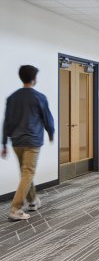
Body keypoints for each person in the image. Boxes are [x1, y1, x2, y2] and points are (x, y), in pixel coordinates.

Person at [2, 65, 55, 221]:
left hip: (16, 142)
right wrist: (51, 132)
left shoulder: (12, 98)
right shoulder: (39, 97)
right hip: (32, 141)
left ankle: (32, 201)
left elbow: (7, 122)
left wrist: (4, 143)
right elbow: (47, 118)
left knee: (25, 172)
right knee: (28, 172)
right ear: (34, 79)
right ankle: (15, 208)